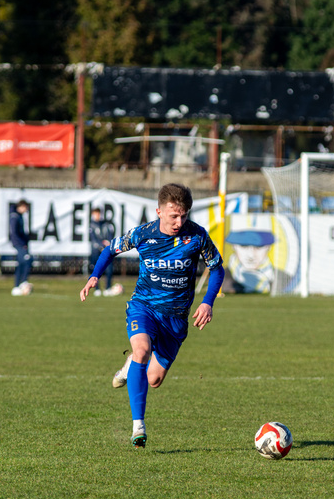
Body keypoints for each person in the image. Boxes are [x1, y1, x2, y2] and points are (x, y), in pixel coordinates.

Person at [79, 183, 225, 448]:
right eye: (173, 215)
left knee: (154, 380)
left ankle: (129, 367)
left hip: (177, 319)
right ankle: (138, 426)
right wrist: (94, 276)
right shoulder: (143, 234)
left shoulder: (197, 236)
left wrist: (207, 302)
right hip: (144, 307)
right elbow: (110, 249)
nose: (179, 221)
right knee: (142, 350)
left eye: (184, 215)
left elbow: (217, 269)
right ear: (159, 211)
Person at [88, 207, 119, 296]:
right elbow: (93, 240)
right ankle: (96, 288)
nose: (97, 216)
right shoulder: (92, 226)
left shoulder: (106, 224)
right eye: (95, 214)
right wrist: (101, 246)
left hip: (106, 250)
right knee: (95, 269)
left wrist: (107, 244)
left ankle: (108, 287)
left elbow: (110, 235)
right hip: (95, 251)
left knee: (109, 269)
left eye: (98, 214)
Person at [9, 199, 33, 296]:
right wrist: (21, 243)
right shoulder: (14, 217)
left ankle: (18, 285)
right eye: (25, 207)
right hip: (19, 244)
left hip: (22, 243)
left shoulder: (19, 216)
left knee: (21, 263)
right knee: (26, 260)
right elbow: (14, 233)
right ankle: (22, 283)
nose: (26, 210)